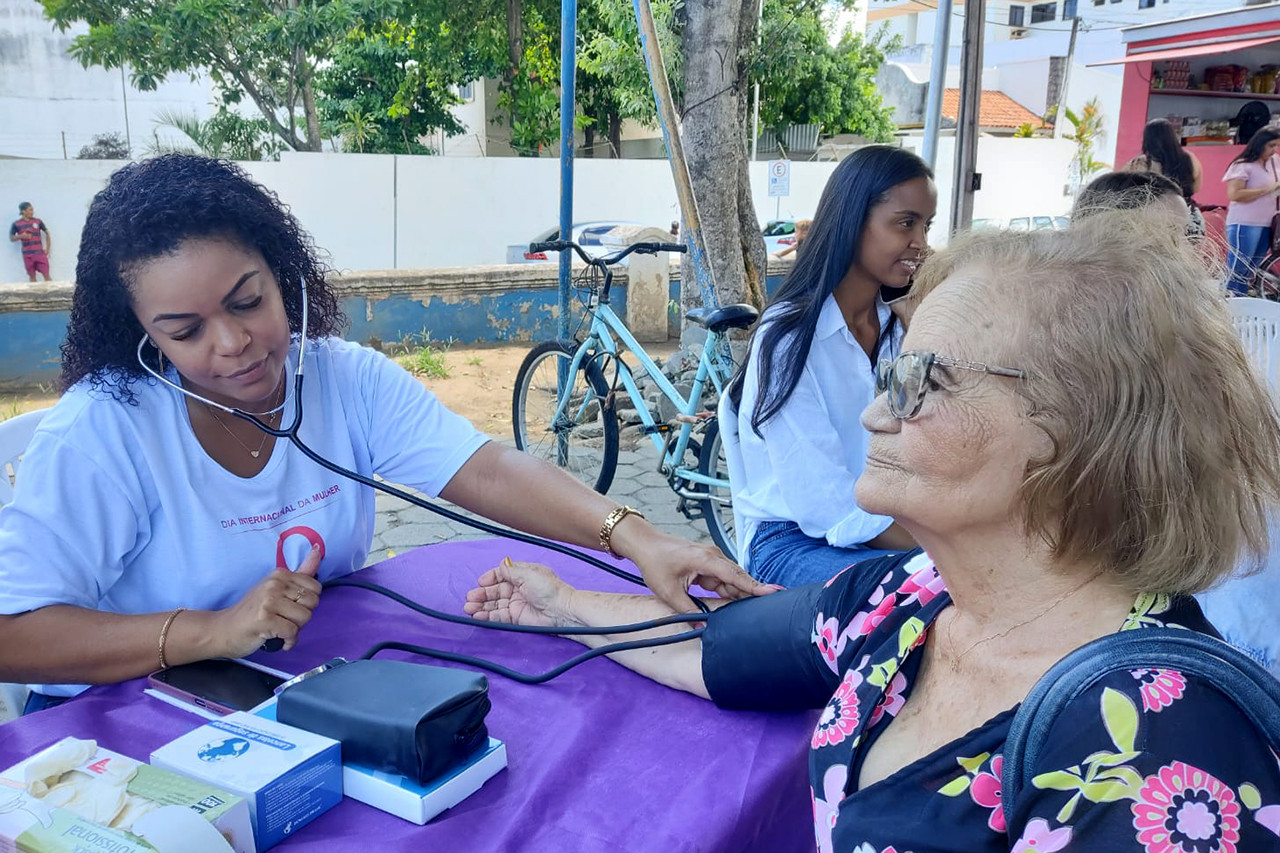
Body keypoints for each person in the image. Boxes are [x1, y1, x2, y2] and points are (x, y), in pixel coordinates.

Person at [468, 209, 1280, 851]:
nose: (873, 411)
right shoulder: (914, 596)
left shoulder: (1165, 748)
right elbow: (712, 651)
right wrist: (563, 603)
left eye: (921, 381)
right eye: (891, 373)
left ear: (1068, 432)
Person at [0, 155, 767, 712]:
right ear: (139, 334)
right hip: (113, 718)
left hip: (289, 692)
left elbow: (488, 469)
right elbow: (14, 636)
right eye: (185, 329)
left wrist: (635, 537)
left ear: (283, 270)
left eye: (247, 300)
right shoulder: (101, 434)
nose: (231, 343)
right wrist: (211, 631)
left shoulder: (341, 378)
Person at [720, 146, 929, 588]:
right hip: (792, 542)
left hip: (881, 527)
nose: (921, 244)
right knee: (924, 596)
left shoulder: (897, 328)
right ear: (853, 222)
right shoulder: (790, 338)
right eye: (905, 223)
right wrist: (934, 548)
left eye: (926, 226)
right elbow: (826, 506)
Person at [1222, 127, 1280, 296]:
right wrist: (1267, 189)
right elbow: (1234, 194)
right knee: (1239, 268)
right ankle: (1233, 305)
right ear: (1260, 144)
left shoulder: (1274, 161)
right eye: (1271, 146)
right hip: (1244, 223)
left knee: (1252, 269)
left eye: (1276, 146)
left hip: (1267, 222)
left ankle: (1243, 303)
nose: (1274, 150)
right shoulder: (1242, 165)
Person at [1125, 118, 1205, 236]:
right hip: (1191, 219)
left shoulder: (1141, 163)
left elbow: (1124, 190)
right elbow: (1196, 187)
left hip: (1156, 222)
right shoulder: (1190, 158)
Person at [9, 202, 51, 282]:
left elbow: (47, 233)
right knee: (32, 277)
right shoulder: (16, 224)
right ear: (23, 211)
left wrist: (47, 248)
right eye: (30, 210)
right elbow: (11, 238)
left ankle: (54, 294)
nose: (32, 212)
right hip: (27, 255)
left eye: (32, 210)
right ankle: (35, 294)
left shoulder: (38, 221)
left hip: (39, 253)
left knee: (46, 275)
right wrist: (21, 236)